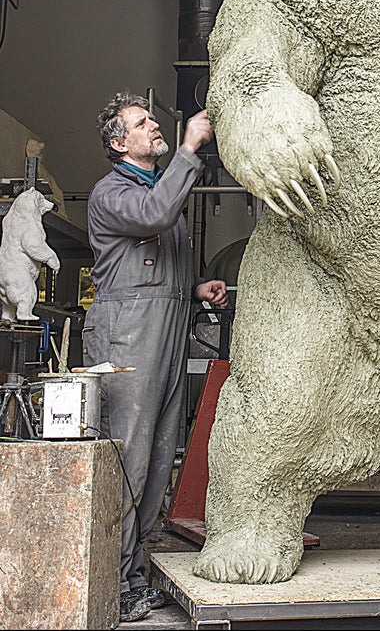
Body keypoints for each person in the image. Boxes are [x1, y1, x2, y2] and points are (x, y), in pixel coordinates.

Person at [83, 91, 228, 623]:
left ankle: (134, 572)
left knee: (160, 451)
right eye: (142, 124)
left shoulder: (157, 185)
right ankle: (114, 579)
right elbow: (153, 216)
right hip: (126, 338)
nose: (154, 128)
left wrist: (193, 290)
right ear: (121, 142)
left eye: (152, 121)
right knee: (129, 458)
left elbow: (154, 260)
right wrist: (190, 148)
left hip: (164, 330)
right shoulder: (111, 193)